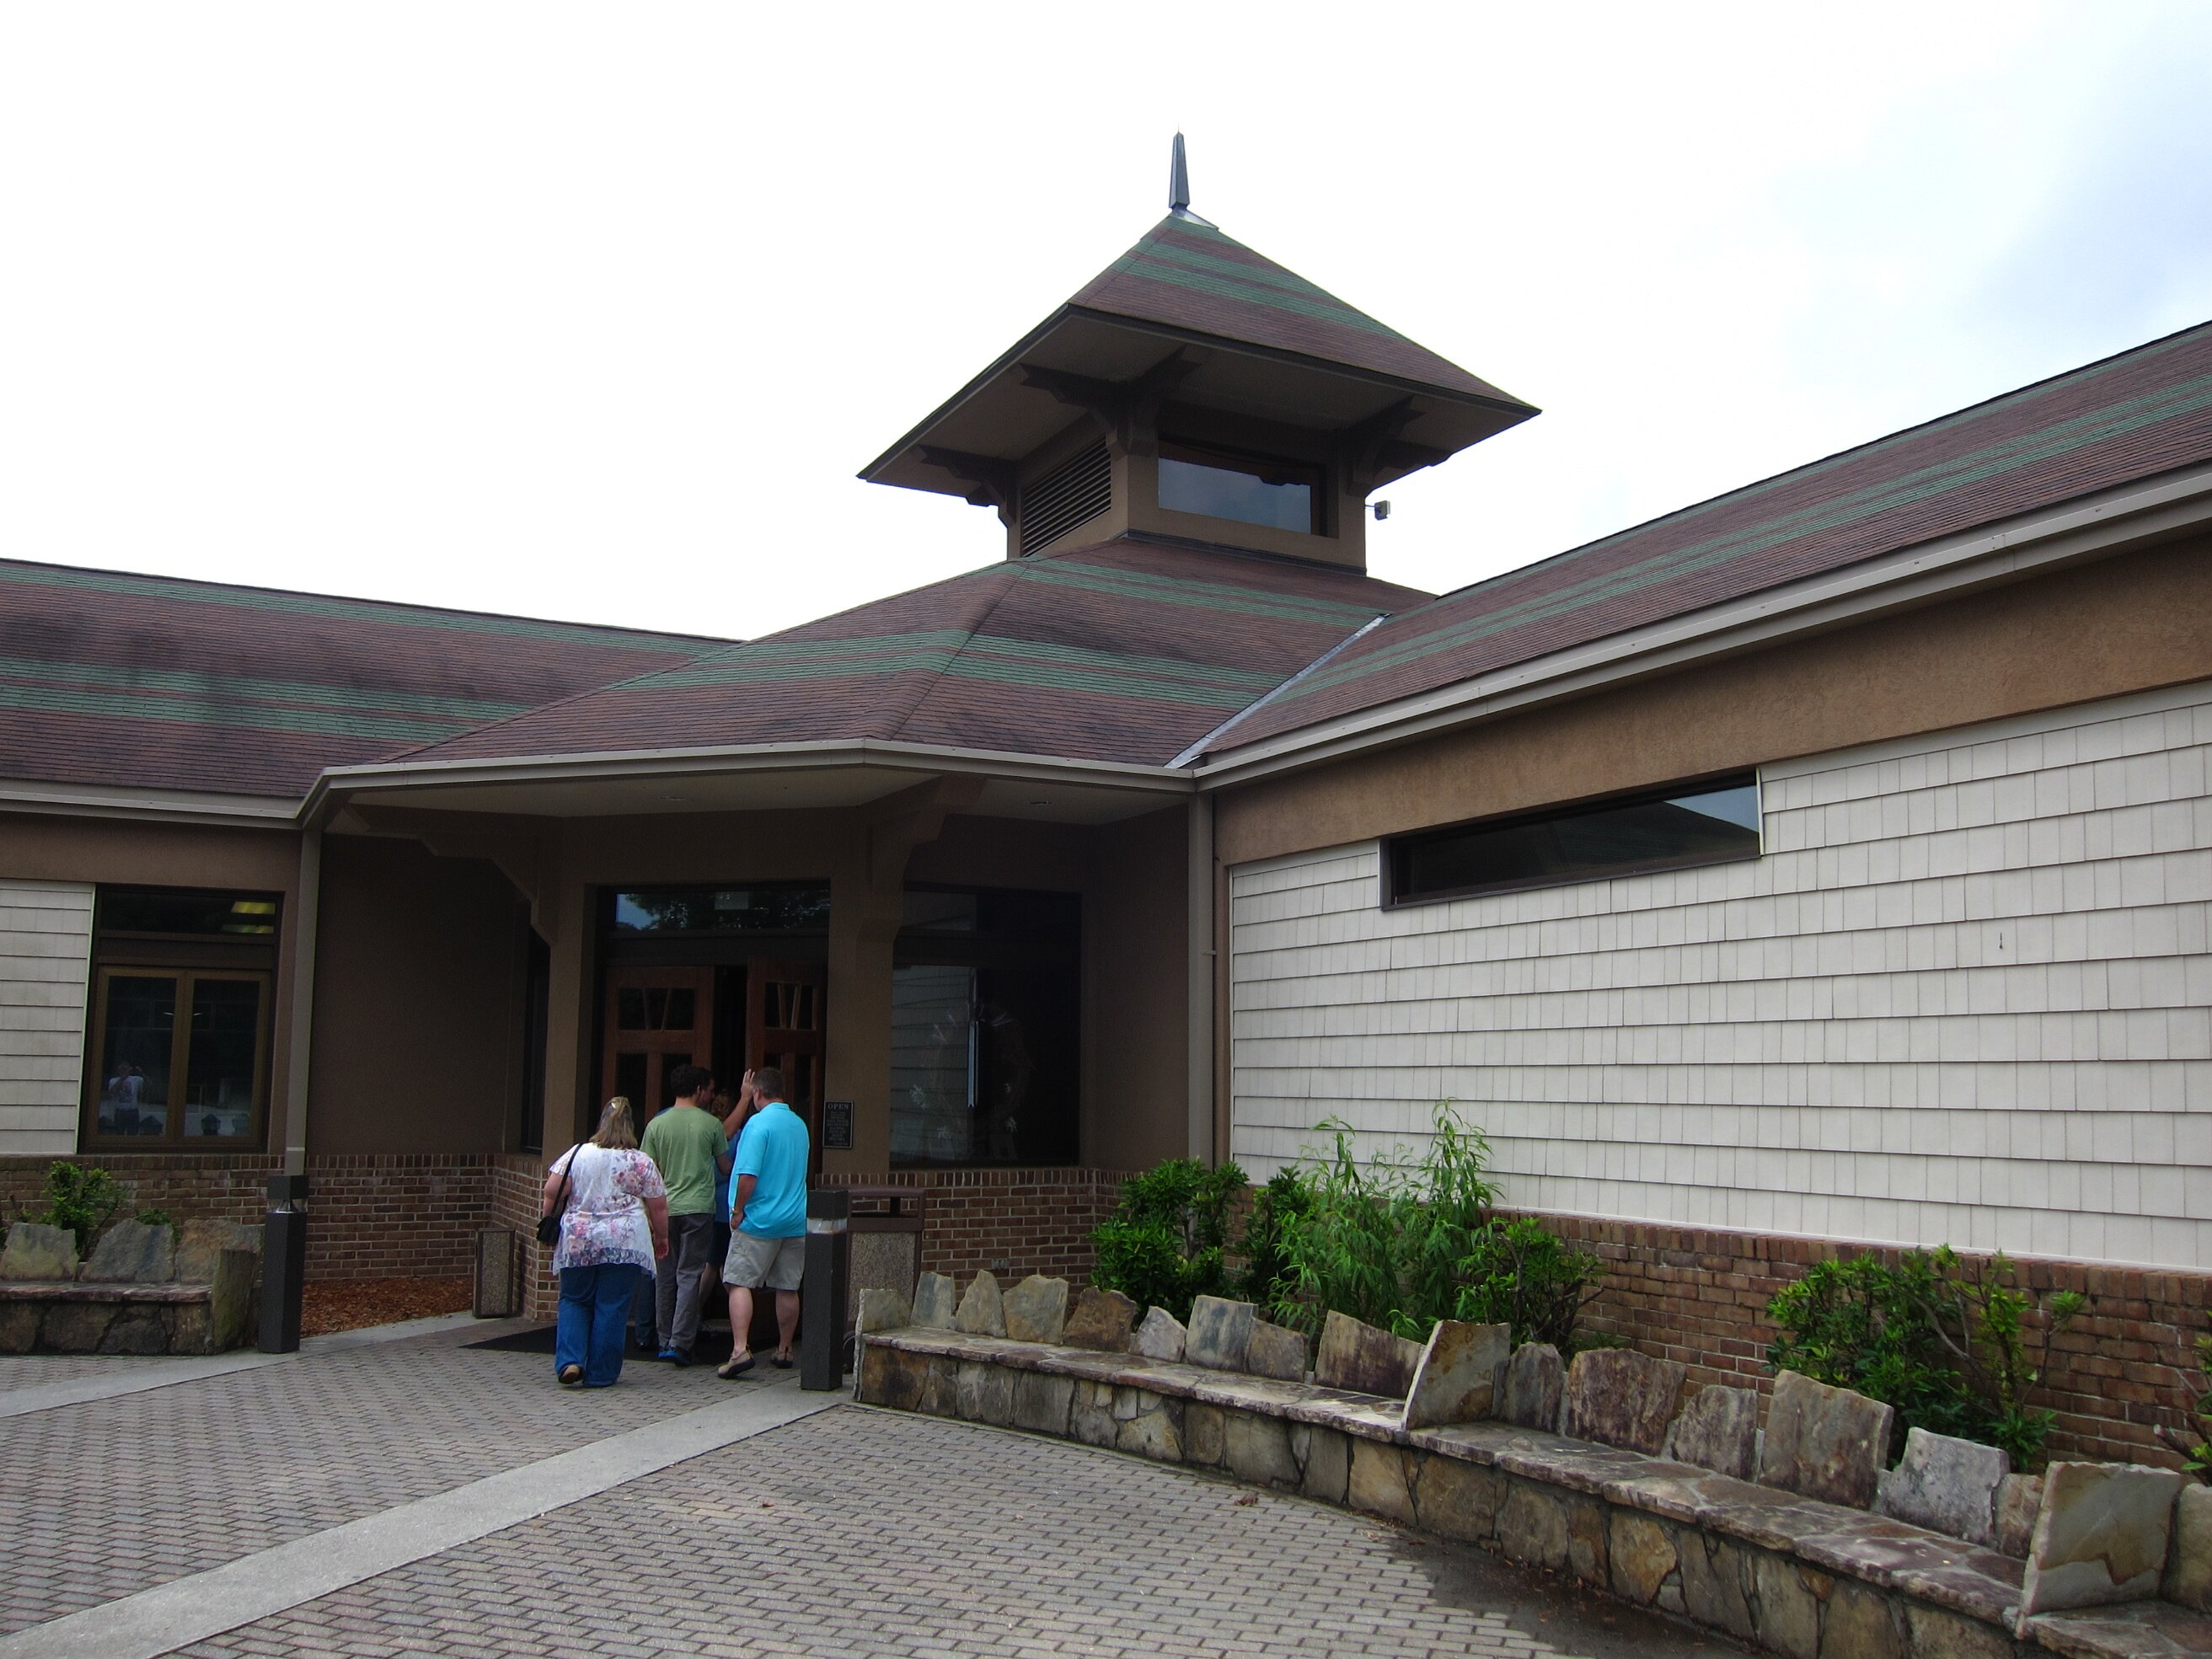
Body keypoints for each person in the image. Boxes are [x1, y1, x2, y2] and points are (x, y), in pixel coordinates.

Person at [540, 1097, 667, 1388]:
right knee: (612, 1305)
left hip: (579, 1239)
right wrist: (661, 1237)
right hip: (624, 1241)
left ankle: (571, 1361)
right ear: (631, 1126)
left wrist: (547, 1220)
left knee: (574, 1299)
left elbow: (552, 1191)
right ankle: (602, 1373)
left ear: (602, 1123)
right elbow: (658, 1206)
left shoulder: (577, 1154)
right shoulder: (641, 1161)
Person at [717, 1065, 810, 1379]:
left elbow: (747, 1175)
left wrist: (737, 1210)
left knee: (739, 1282)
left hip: (759, 1220)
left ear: (757, 1093)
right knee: (788, 1286)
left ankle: (740, 1350)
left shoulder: (758, 1125)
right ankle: (785, 1348)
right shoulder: (799, 1125)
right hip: (794, 1219)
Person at [638, 1064, 726, 1366]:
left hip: (664, 1207)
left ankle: (663, 1339)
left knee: (665, 1275)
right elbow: (724, 1166)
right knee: (689, 1274)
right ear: (699, 1090)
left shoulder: (656, 1125)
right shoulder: (711, 1124)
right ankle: (681, 1342)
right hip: (699, 1207)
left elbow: (646, 1171)